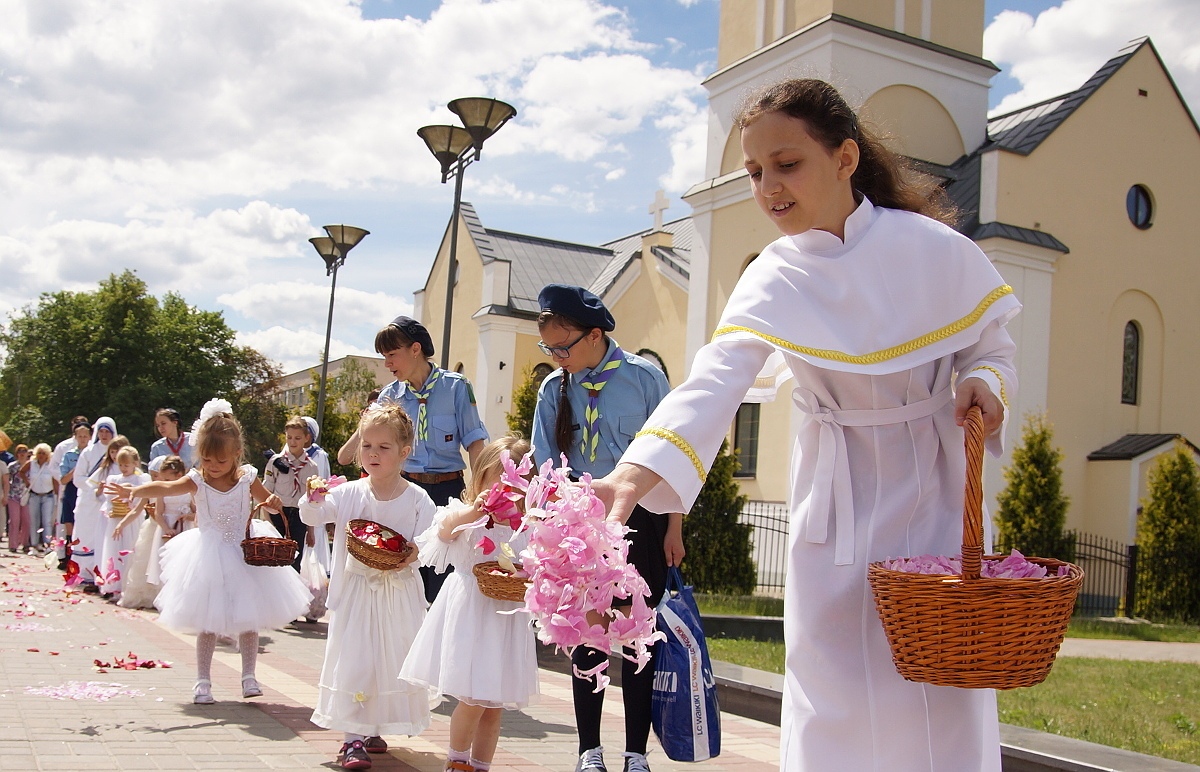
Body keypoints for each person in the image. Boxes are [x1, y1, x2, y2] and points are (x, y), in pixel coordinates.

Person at [594, 78, 1020, 772]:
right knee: (832, 686)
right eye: (756, 172)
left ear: (846, 157)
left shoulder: (933, 250)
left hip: (934, 494)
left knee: (937, 690)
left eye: (787, 165)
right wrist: (638, 470)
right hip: (836, 504)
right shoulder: (774, 275)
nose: (768, 188)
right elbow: (715, 378)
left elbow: (990, 345)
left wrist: (985, 382)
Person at [529, 284, 685, 772]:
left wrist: (674, 529)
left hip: (642, 518)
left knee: (638, 633)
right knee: (588, 633)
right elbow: (543, 466)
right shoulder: (554, 388)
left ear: (595, 335)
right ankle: (588, 750)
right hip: (582, 524)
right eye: (549, 349)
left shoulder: (644, 378)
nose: (557, 357)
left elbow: (676, 455)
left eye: (563, 346)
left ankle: (636, 752)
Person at [106, 399, 312, 705]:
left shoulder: (246, 478)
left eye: (220, 461)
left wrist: (272, 502)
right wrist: (136, 491)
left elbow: (268, 498)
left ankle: (249, 676)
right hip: (208, 555)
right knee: (208, 621)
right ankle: (203, 680)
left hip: (244, 554)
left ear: (236, 456)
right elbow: (166, 488)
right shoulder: (198, 479)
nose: (213, 467)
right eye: (206, 460)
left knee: (249, 618)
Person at [300, 404, 435, 770]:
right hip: (358, 592)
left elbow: (431, 541)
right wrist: (313, 498)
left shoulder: (417, 498)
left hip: (398, 593)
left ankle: (375, 723)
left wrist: (412, 553)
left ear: (404, 452)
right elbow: (313, 517)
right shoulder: (348, 493)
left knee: (390, 660)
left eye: (383, 447)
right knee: (356, 658)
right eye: (367, 446)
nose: (372, 454)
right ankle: (351, 738)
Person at [400, 433, 539, 772]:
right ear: (481, 477)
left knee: (493, 706)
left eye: (517, 480)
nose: (508, 486)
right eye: (500, 477)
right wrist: (471, 514)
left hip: (505, 619)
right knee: (473, 699)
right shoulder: (466, 515)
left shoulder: (527, 526)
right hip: (472, 615)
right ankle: (456, 761)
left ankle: (480, 765)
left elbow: (536, 564)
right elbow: (443, 534)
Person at [338, 316, 489, 603]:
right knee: (404, 571)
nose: (387, 364)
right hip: (404, 492)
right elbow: (346, 456)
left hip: (447, 491)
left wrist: (479, 492)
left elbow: (475, 443)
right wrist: (366, 425)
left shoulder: (456, 387)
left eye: (392, 355)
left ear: (415, 349)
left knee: (443, 576)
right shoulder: (389, 396)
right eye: (384, 357)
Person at [117, 455, 194, 610]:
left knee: (182, 564)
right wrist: (167, 528)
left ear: (179, 476)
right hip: (167, 528)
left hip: (183, 528)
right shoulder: (162, 492)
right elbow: (158, 513)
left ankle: (178, 599)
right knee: (162, 565)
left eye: (166, 479)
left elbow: (196, 511)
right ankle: (162, 598)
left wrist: (189, 516)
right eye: (162, 479)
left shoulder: (189, 491)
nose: (163, 483)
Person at [262, 416, 319, 572]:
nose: (293, 442)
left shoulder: (312, 467)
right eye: (289, 437)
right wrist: (268, 523)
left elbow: (312, 500)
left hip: (300, 517)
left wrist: (311, 531)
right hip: (278, 513)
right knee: (274, 559)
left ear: (306, 438)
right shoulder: (275, 462)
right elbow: (266, 493)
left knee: (295, 560)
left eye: (297, 438)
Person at [97, 445, 150, 600]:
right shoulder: (114, 479)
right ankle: (114, 585)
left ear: (135, 463)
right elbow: (109, 498)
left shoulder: (140, 479)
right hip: (117, 519)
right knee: (115, 550)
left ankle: (128, 586)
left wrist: (129, 490)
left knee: (130, 550)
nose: (123, 468)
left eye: (126, 465)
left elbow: (142, 496)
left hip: (132, 521)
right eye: (120, 465)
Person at [72, 417, 118, 591]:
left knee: (104, 537)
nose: (104, 435)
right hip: (88, 502)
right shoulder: (89, 452)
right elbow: (78, 478)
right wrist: (95, 488)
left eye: (108, 431)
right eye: (101, 431)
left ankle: (104, 573)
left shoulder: (117, 452)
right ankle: (85, 573)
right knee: (86, 536)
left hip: (109, 502)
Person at [89, 435, 132, 597]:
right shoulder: (107, 471)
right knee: (107, 548)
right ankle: (107, 581)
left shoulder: (135, 473)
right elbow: (99, 496)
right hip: (109, 514)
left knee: (125, 549)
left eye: (118, 452)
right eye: (112, 452)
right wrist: (99, 490)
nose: (115, 456)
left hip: (127, 516)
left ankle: (123, 583)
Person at [56, 420, 92, 569]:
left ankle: (83, 556)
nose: (83, 439)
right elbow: (63, 479)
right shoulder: (69, 455)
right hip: (71, 489)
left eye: (85, 436)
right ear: (75, 437)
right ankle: (68, 556)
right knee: (69, 523)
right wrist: (76, 470)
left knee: (83, 523)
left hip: (86, 490)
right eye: (80, 436)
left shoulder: (93, 454)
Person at [49, 415, 89, 548]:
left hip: (86, 488)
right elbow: (54, 467)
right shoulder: (64, 447)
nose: (82, 438)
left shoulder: (93, 449)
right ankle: (64, 553)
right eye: (77, 423)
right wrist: (69, 475)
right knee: (67, 521)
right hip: (69, 486)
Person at [25, 444, 58, 553]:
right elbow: (21, 471)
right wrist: (26, 481)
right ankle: (34, 545)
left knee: (47, 521)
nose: (41, 455)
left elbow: (54, 480)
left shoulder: (50, 465)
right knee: (34, 521)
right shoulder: (31, 464)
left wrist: (57, 494)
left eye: (43, 453)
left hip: (48, 496)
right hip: (34, 495)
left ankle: (48, 544)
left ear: (48, 454)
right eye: (39, 453)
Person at [5, 445, 31, 554]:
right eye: (19, 451)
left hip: (27, 495)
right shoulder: (12, 466)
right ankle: (13, 545)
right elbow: (7, 479)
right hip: (13, 495)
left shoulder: (31, 465)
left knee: (27, 521)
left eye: (24, 451)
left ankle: (25, 543)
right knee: (15, 520)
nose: (22, 453)